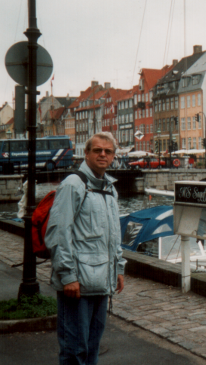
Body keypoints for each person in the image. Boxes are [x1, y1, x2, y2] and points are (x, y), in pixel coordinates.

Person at [45, 132, 126, 365]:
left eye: (108, 151)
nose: (103, 154)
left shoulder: (110, 189)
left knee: (92, 348)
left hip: (102, 281)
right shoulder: (74, 184)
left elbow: (113, 235)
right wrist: (68, 275)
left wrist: (118, 268)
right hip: (77, 283)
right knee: (74, 350)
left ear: (113, 156)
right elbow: (59, 233)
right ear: (86, 153)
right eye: (97, 150)